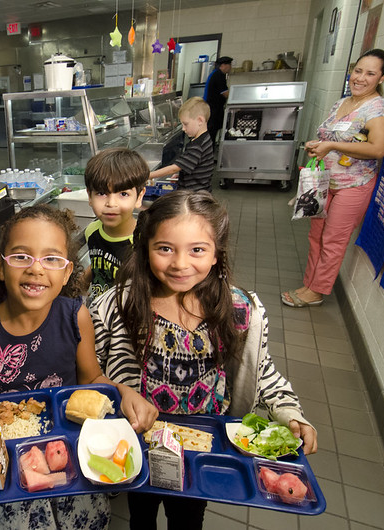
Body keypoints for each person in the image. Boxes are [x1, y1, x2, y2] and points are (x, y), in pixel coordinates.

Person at [0, 204, 158, 530]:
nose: (36, 269)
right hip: (6, 468)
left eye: (51, 259)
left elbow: (93, 378)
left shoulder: (75, 317)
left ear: (67, 272)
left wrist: (123, 391)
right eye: (21, 256)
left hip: (68, 459)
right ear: (0, 267)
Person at [91, 190, 318, 529]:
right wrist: (117, 391)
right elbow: (90, 369)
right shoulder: (117, 306)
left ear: (216, 254)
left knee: (188, 517)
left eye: (197, 250)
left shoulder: (239, 309)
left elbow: (262, 369)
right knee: (141, 512)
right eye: (165, 248)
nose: (180, 263)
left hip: (202, 447)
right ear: (145, 249)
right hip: (136, 438)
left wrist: (288, 411)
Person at [282, 49, 384, 308]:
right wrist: (318, 145)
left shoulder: (378, 108)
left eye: (370, 73)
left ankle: (317, 292)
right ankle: (309, 283)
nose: (361, 78)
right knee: (316, 235)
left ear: (382, 77)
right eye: (358, 71)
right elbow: (332, 138)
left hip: (353, 186)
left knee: (333, 240)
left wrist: (331, 147)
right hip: (325, 182)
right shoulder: (342, 103)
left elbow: (378, 149)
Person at [84, 147, 149, 301]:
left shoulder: (144, 241)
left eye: (123, 194)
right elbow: (96, 265)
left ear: (139, 197)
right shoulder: (92, 231)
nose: (111, 203)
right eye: (101, 193)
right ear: (89, 196)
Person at [149, 97, 214, 192]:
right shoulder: (204, 138)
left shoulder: (198, 146)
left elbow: (173, 168)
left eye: (186, 124)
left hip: (194, 196)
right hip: (201, 191)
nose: (183, 128)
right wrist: (181, 175)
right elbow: (194, 165)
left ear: (200, 120)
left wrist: (149, 175)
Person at [203, 56, 233, 146]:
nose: (230, 67)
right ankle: (208, 157)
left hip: (211, 109)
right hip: (213, 110)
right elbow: (225, 93)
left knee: (210, 135)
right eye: (229, 65)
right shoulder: (219, 75)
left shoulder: (215, 74)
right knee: (210, 135)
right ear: (223, 65)